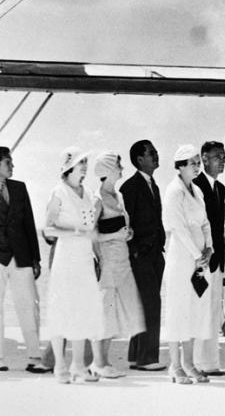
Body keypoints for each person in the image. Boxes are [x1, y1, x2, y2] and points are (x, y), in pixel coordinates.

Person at [43, 148, 107, 383]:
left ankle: (78, 366)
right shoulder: (58, 192)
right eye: (81, 162)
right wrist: (74, 232)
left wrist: (98, 254)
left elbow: (93, 229)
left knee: (84, 310)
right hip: (66, 257)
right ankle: (60, 367)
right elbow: (48, 229)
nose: (84, 166)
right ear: (68, 166)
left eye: (86, 162)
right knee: (63, 309)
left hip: (84, 259)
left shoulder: (89, 194)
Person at [161, 144, 213, 385]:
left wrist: (209, 248)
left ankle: (190, 363)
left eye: (197, 162)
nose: (197, 166)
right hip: (182, 259)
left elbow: (205, 222)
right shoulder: (174, 192)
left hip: (199, 259)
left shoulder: (198, 191)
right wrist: (196, 253)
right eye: (192, 163)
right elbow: (178, 228)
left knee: (194, 310)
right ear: (180, 166)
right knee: (177, 310)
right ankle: (175, 365)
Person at [92, 151, 145, 378]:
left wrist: (127, 234)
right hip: (108, 263)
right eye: (118, 165)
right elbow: (91, 235)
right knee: (106, 312)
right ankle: (99, 363)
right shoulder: (97, 199)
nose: (122, 168)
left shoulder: (119, 196)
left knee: (121, 313)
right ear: (107, 170)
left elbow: (121, 229)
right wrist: (114, 234)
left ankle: (104, 362)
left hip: (123, 261)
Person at [120, 139, 167, 371]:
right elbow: (124, 223)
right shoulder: (129, 187)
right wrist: (134, 253)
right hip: (141, 256)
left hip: (155, 254)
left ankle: (135, 355)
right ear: (140, 159)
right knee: (151, 304)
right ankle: (147, 359)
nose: (156, 155)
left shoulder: (154, 185)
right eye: (152, 153)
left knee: (145, 304)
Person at [0, 145, 47, 374]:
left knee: (29, 306)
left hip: (20, 256)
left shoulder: (19, 188)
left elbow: (29, 223)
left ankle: (34, 356)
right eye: (8, 162)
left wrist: (36, 259)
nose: (13, 166)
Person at [192, 140, 225, 376]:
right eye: (218, 156)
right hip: (202, 258)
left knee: (214, 312)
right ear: (204, 158)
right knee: (199, 311)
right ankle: (196, 362)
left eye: (224, 157)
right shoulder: (195, 186)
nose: (223, 160)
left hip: (218, 260)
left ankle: (211, 363)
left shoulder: (221, 189)